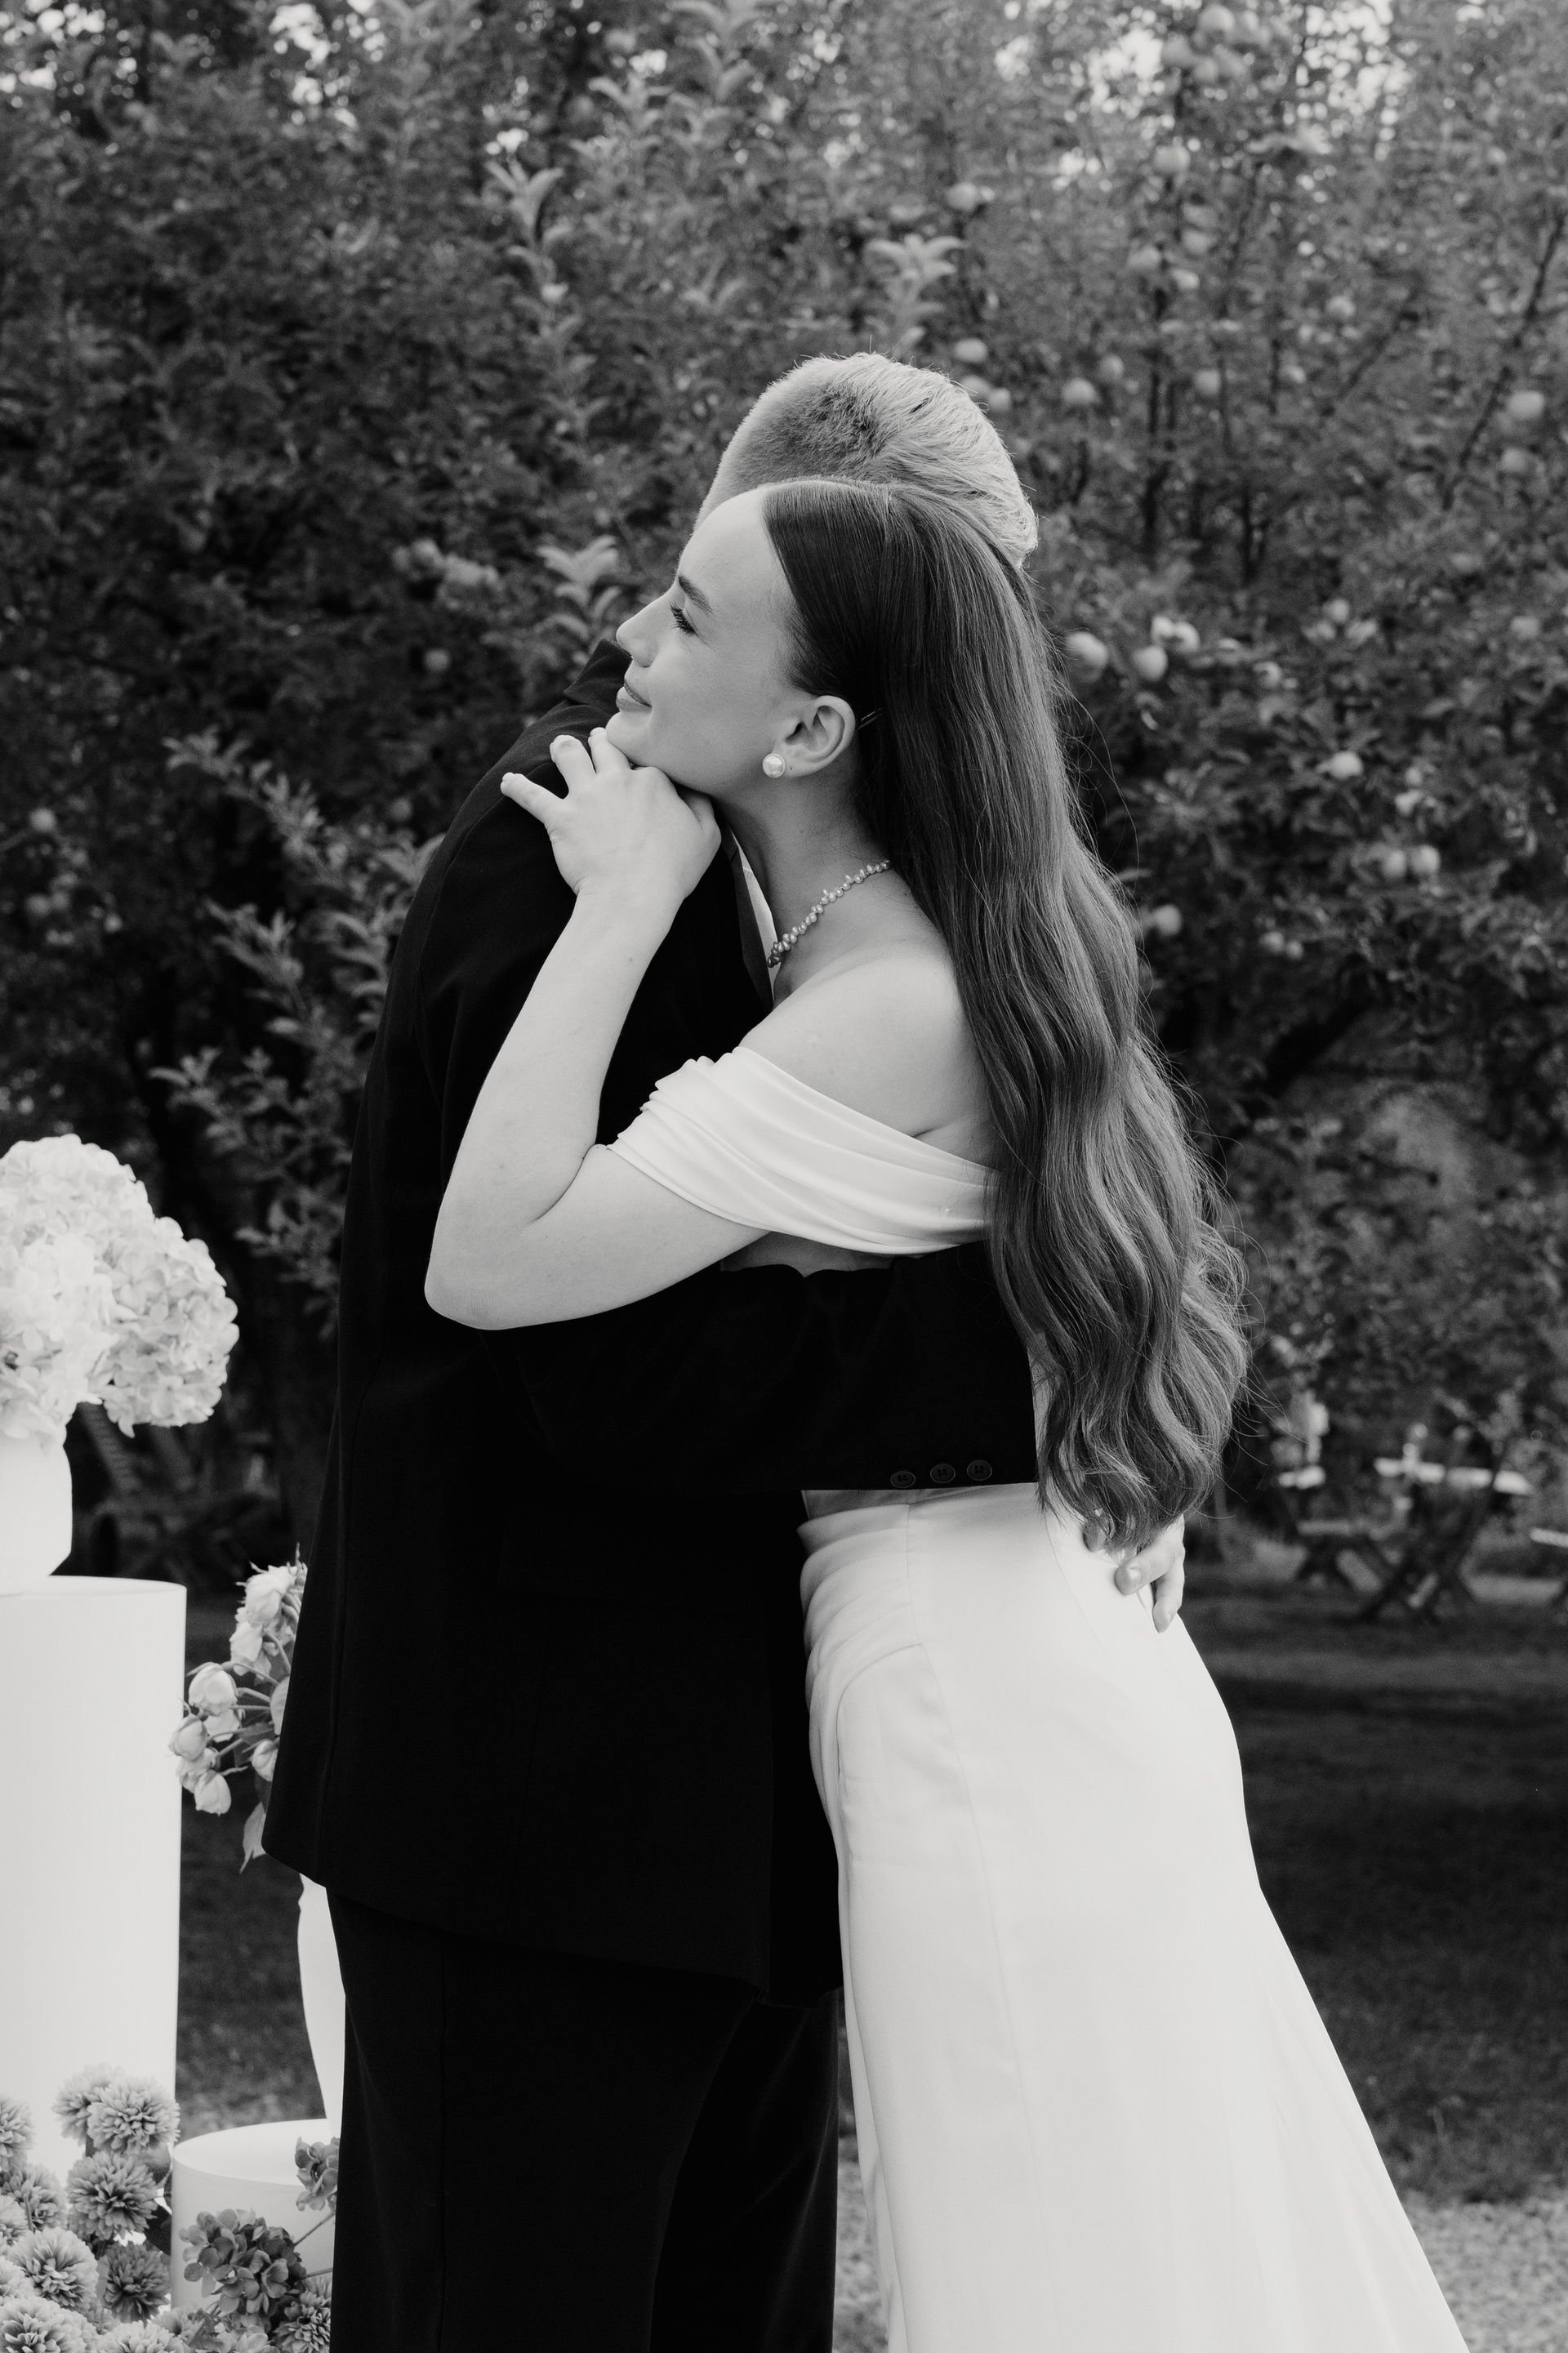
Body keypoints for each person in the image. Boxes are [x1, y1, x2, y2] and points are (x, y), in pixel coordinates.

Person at [427, 478, 1471, 2352]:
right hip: (1025, 1641)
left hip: (960, 1679)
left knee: (1041, 2250)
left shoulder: (883, 999)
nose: (629, 643)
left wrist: (618, 912)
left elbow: (489, 1258)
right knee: (1123, 2226)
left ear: (812, 729)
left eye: (685, 616)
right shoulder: (936, 946)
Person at [264, 354, 1187, 2353]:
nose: (633, 633)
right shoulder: (579, 837)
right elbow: (583, 1360)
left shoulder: (865, 899)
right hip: (536, 1809)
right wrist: (1035, 1373)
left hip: (752, 1815)